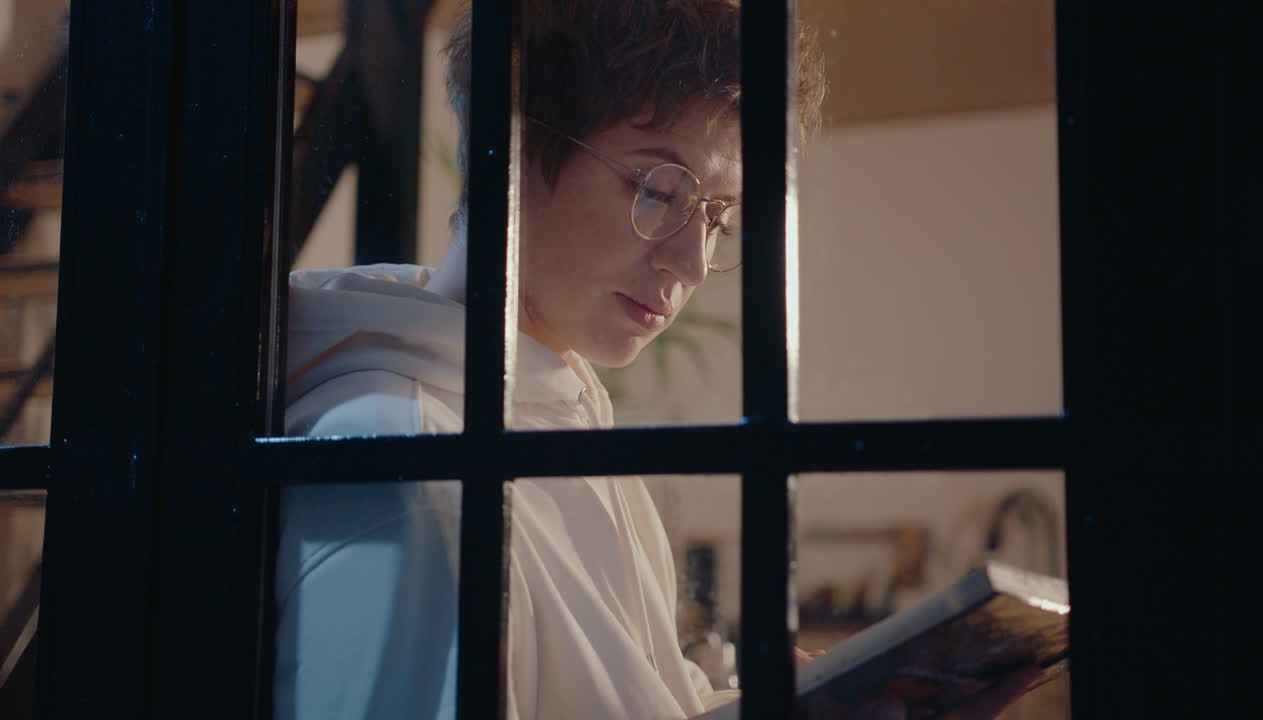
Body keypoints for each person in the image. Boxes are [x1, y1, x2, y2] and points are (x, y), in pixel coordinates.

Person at [272, 1, 1038, 718]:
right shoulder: (399, 453)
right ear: (506, 151)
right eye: (659, 189)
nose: (693, 264)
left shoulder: (568, 424)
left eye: (718, 217)